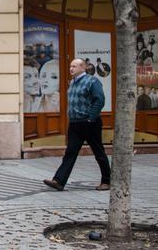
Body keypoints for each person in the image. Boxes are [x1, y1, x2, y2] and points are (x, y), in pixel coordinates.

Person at [44, 58, 111, 191]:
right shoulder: (73, 82)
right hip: (75, 124)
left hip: (89, 123)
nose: (71, 69)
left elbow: (99, 100)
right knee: (70, 152)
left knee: (99, 152)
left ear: (83, 68)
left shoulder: (92, 81)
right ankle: (59, 181)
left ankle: (107, 181)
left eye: (74, 66)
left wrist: (91, 119)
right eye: (70, 66)